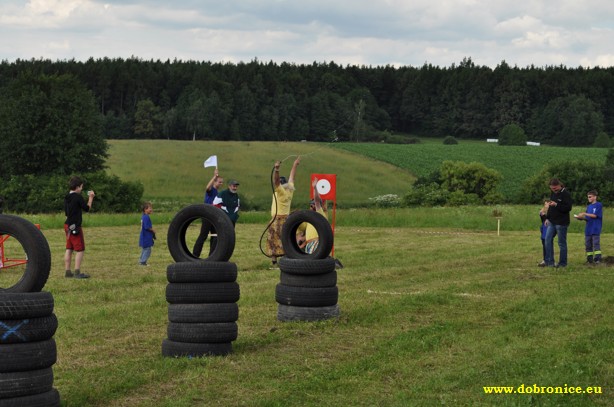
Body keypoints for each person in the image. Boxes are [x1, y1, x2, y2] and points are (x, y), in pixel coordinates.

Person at [267, 157, 300, 266]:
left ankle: (274, 261)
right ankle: (287, 258)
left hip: (278, 219)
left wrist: (276, 170)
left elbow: (276, 182)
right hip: (287, 218)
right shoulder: (290, 190)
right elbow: (292, 177)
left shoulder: (281, 191)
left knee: (274, 240)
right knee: (286, 239)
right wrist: (295, 165)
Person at [64, 176, 95, 279]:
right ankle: (77, 272)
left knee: (69, 248)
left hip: (67, 225)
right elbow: (86, 208)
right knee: (80, 249)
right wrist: (90, 198)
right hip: (75, 226)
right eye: (81, 187)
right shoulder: (78, 197)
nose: (81, 189)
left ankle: (68, 272)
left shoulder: (67, 197)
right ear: (77, 187)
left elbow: (66, 213)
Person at [193, 168, 224, 257]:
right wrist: (214, 177)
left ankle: (212, 255)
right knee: (203, 235)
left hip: (214, 215)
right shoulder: (211, 191)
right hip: (207, 215)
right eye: (219, 182)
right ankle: (195, 255)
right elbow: (207, 187)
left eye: (222, 182)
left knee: (215, 235)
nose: (221, 184)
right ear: (214, 182)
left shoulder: (218, 193)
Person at [544, 178, 573, 268]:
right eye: (552, 189)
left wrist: (556, 204)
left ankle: (562, 263)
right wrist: (547, 218)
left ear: (560, 185)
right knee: (547, 240)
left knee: (561, 243)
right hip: (552, 221)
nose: (554, 190)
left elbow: (568, 208)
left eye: (555, 188)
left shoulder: (566, 194)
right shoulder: (553, 193)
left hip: (561, 223)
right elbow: (550, 207)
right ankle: (550, 262)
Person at [575, 190, 603, 264]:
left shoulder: (598, 205)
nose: (589, 198)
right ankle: (589, 259)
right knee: (588, 245)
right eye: (588, 197)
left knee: (596, 244)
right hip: (588, 229)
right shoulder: (589, 206)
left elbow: (595, 215)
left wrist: (584, 213)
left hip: (595, 228)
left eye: (590, 197)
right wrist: (580, 218)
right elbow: (587, 218)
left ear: (595, 197)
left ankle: (597, 259)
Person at [304, 178, 328, 255]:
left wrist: (315, 188)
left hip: (316, 242)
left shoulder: (319, 213)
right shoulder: (309, 217)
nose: (312, 206)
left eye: (313, 205)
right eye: (311, 205)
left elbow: (317, 201)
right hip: (308, 243)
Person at [538, 200, 556, 267]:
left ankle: (550, 260)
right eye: (545, 204)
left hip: (549, 230)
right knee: (544, 246)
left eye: (548, 204)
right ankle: (545, 260)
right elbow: (543, 216)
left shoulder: (553, 213)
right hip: (544, 230)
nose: (547, 206)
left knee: (549, 245)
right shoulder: (543, 213)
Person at [139, 201, 156, 266]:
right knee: (147, 250)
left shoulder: (143, 216)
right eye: (150, 208)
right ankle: (143, 262)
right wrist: (153, 230)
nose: (151, 209)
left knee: (144, 249)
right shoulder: (146, 217)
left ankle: (141, 261)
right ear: (145, 209)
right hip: (146, 236)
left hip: (143, 236)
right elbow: (147, 227)